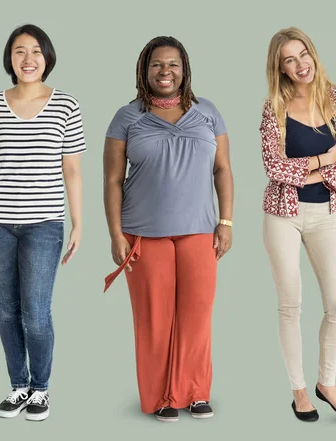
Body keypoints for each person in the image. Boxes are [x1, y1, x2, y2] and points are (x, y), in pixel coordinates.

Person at [102, 36, 234, 423]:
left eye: (173, 64)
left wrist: (225, 222)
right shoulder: (127, 117)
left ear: (184, 70)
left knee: (197, 316)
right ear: (145, 70)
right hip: (143, 232)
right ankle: (161, 396)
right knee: (154, 320)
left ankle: (194, 392)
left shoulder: (208, 113)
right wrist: (115, 233)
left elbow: (223, 169)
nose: (165, 71)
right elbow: (112, 180)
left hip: (199, 231)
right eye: (157, 64)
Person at [0, 24, 86, 421]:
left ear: (47, 57)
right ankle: (18, 386)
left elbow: (72, 172)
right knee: (6, 310)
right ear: (9, 59)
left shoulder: (66, 106)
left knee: (36, 312)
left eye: (35, 51)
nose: (28, 59)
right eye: (19, 51)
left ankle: (41, 389)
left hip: (44, 224)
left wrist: (78, 223)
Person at [260, 27, 336, 422]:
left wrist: (307, 171)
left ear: (313, 55)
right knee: (291, 305)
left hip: (324, 215)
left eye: (304, 54)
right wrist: (322, 161)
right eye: (289, 59)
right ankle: (299, 390)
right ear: (280, 68)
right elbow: (273, 167)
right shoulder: (273, 107)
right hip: (282, 214)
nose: (300, 64)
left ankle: (327, 383)